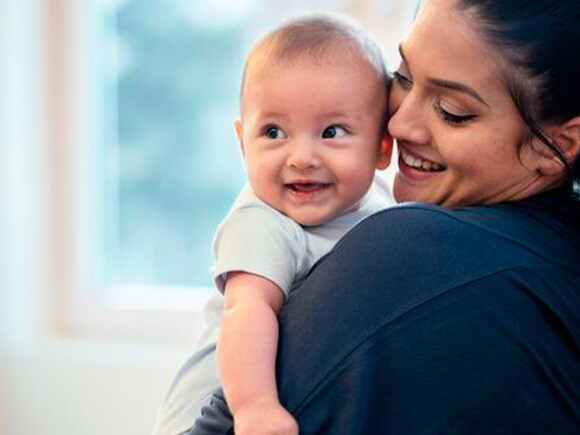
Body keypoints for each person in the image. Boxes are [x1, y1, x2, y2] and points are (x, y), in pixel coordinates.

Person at [188, 0, 580, 433]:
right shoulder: (265, 222)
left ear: (557, 145)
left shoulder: (416, 251)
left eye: (452, 110)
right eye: (403, 78)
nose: (397, 124)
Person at [152, 15, 394, 435]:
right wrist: (255, 408)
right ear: (242, 142)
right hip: (214, 419)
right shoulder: (263, 222)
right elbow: (248, 309)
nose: (301, 157)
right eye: (274, 132)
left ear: (382, 148)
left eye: (331, 132)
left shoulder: (381, 202)